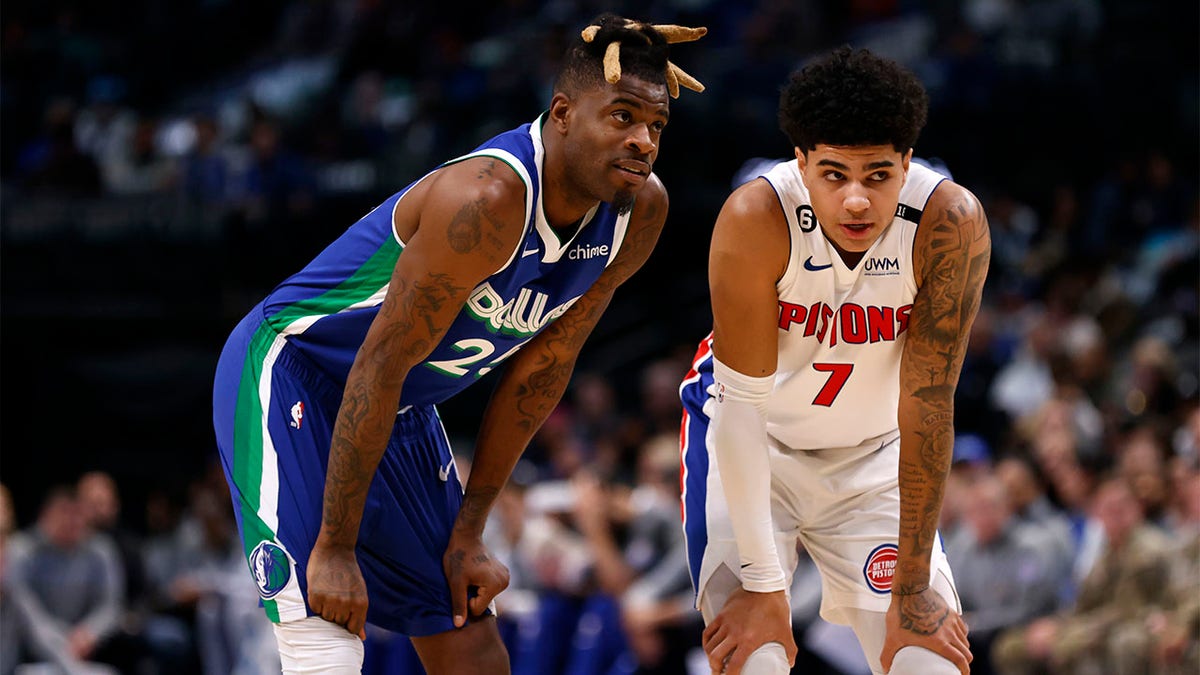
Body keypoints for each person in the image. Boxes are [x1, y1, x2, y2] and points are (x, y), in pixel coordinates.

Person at [211, 14, 705, 674]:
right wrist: (335, 543)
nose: (643, 141)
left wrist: (469, 531)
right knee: (325, 625)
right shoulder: (489, 197)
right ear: (562, 113)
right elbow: (377, 361)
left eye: (656, 126)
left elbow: (543, 370)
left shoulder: (639, 212)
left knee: (469, 637)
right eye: (621, 116)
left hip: (399, 404)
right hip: (293, 369)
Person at [679, 47, 990, 675]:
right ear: (801, 162)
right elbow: (741, 405)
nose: (855, 200)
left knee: (928, 663)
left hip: (874, 459)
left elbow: (928, 405)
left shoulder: (948, 222)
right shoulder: (755, 217)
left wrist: (911, 587)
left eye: (877, 175)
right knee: (755, 658)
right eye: (833, 175)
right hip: (756, 449)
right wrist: (766, 588)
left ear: (906, 163)